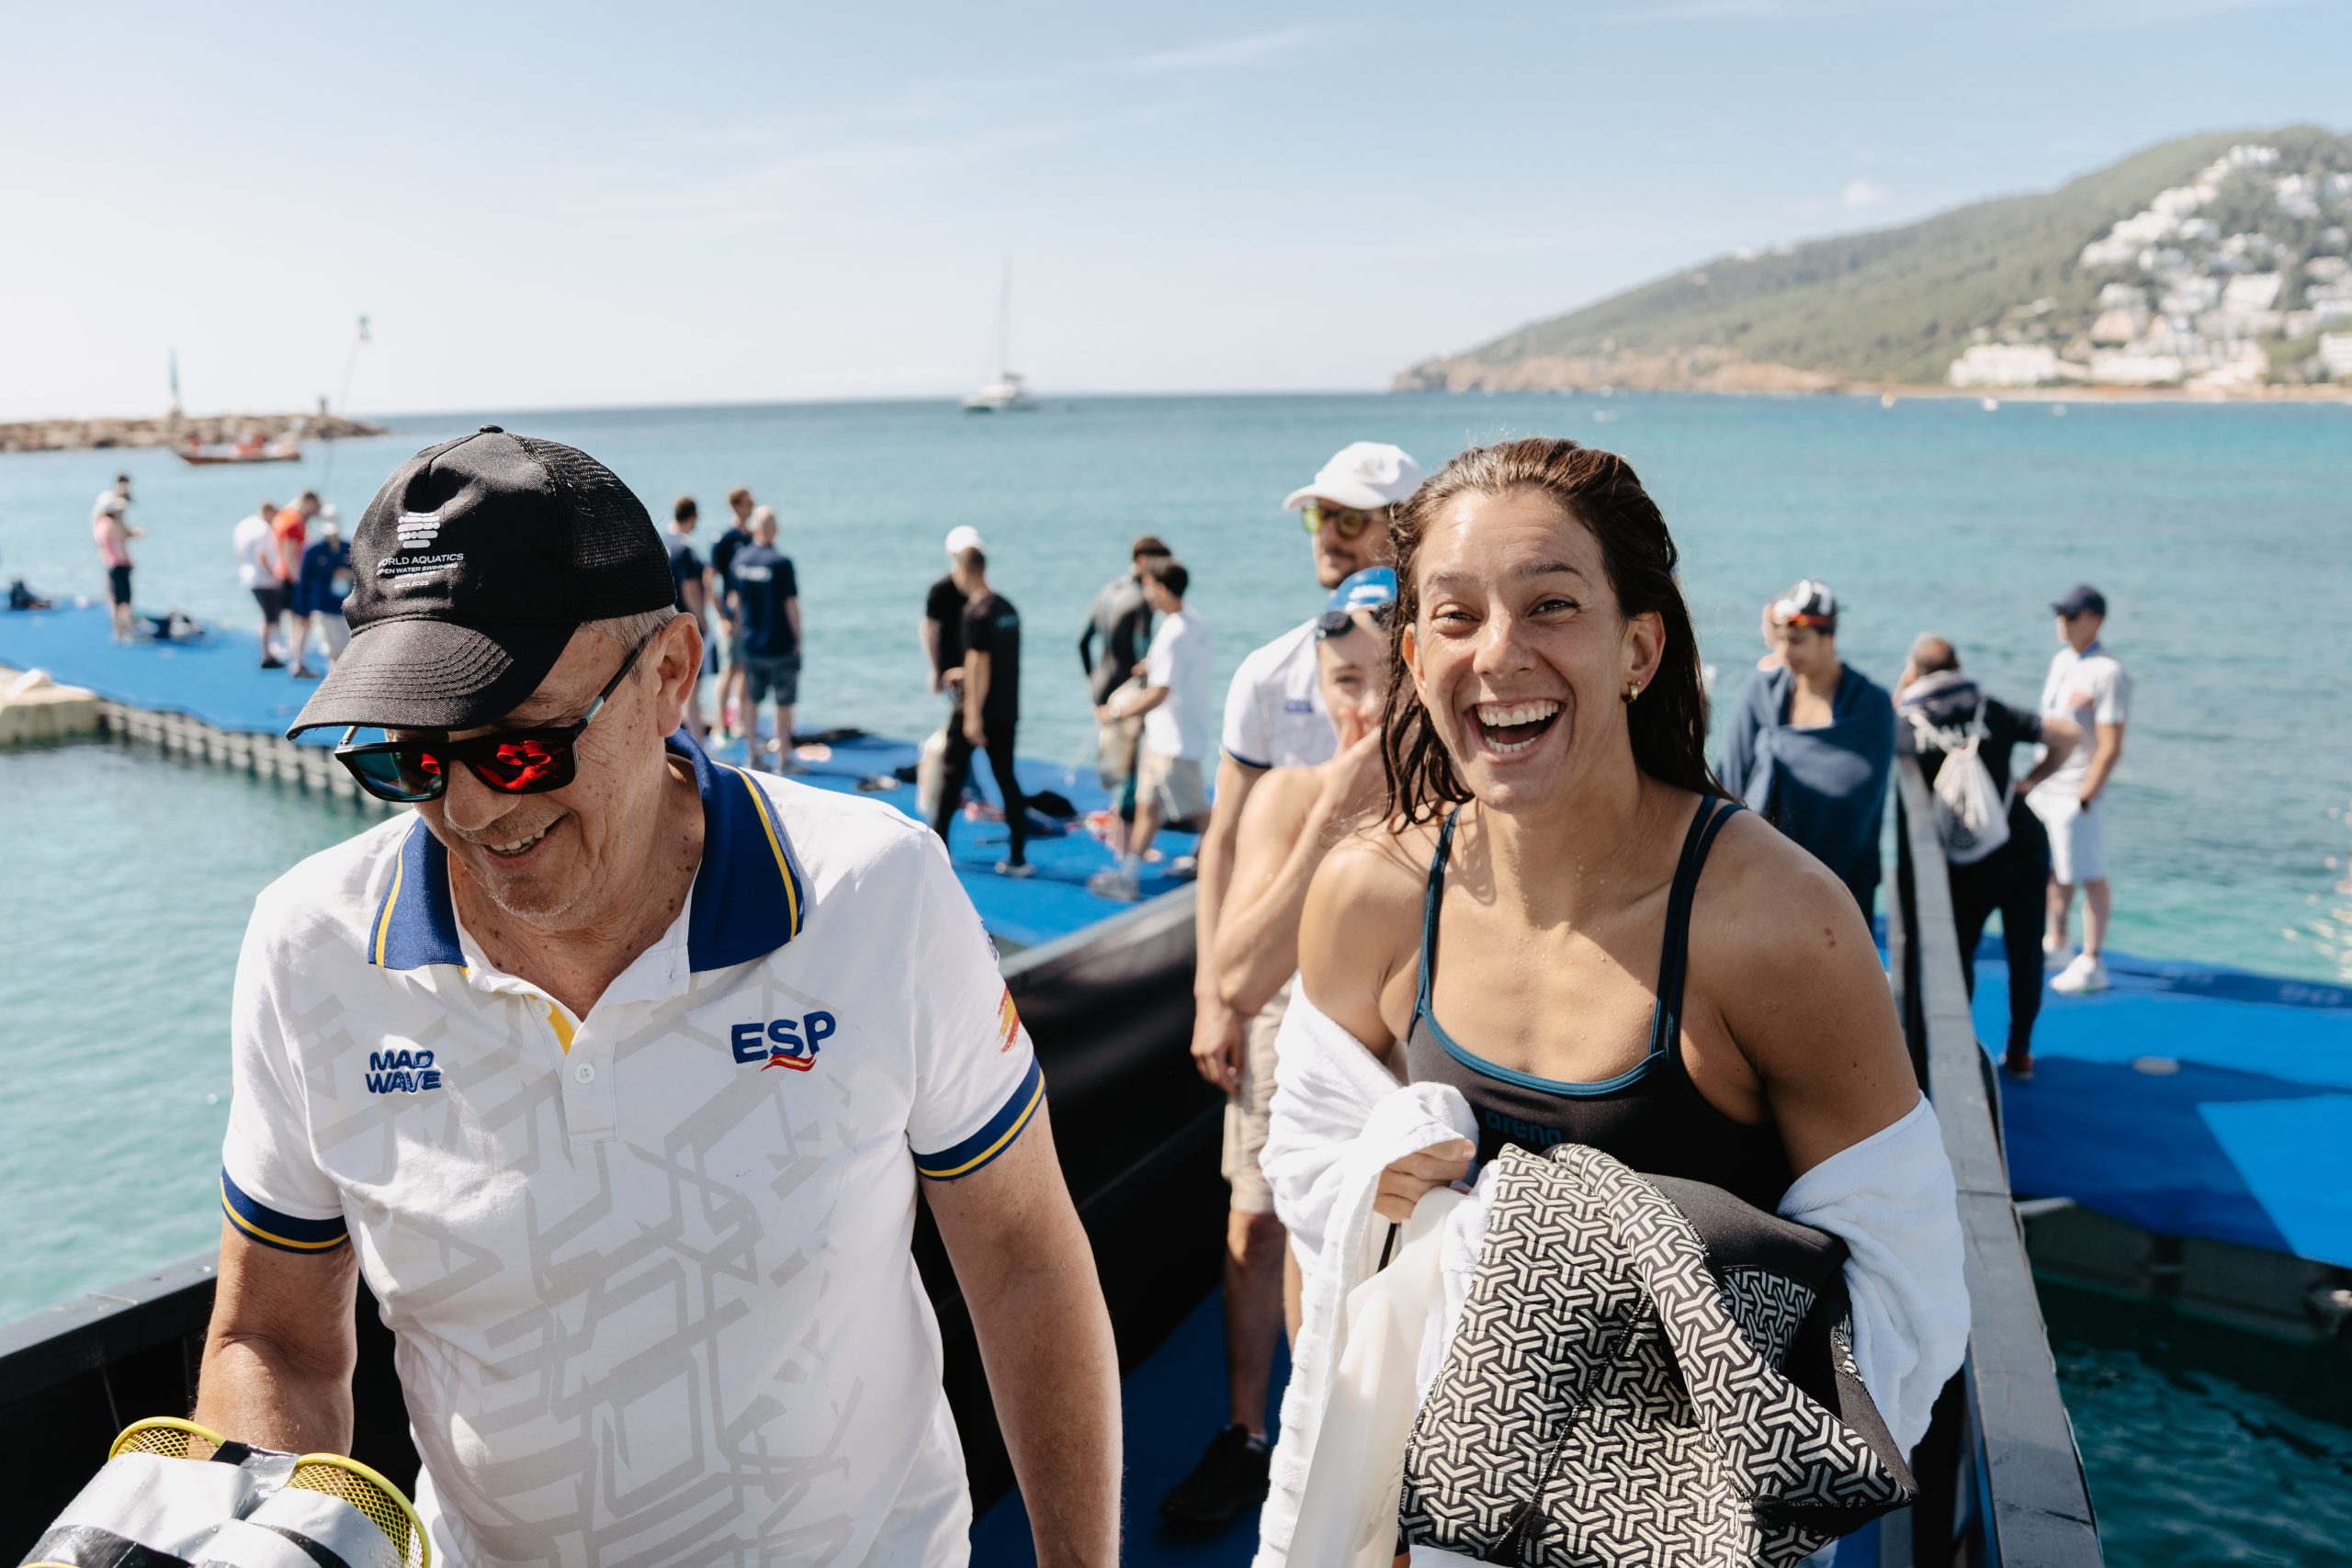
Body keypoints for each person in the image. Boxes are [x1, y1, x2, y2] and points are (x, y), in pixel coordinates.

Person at [198, 426, 1117, 1565]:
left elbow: (1021, 1254)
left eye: (522, 746)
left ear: (673, 675)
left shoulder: (875, 893)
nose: (469, 810)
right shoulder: (311, 948)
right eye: (412, 758)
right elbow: (274, 1339)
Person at [1261, 437, 1962, 1561]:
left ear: (1638, 647)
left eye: (1551, 605)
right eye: (1455, 617)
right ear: (1413, 654)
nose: (1499, 654)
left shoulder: (1777, 928)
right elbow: (1316, 1204)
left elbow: (1909, 1296)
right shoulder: (1370, 896)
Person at [1166, 440, 1420, 1529]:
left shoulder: (1450, 665)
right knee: (1259, 1216)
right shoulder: (1275, 672)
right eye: (1320, 515)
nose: (1329, 534)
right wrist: (1212, 998)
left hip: (1404, 985)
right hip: (1287, 985)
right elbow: (1228, 839)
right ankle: (1250, 1433)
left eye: (1352, 517)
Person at [1896, 635, 2080, 1078]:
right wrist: (2028, 782)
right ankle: (2019, 1052)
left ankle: (1958, 1047)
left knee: (1960, 955)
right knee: (2025, 954)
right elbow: (2067, 735)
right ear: (1958, 665)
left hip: (1967, 863)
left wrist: (1905, 684)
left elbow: (1887, 715)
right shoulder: (1989, 708)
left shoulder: (1908, 724)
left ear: (1914, 671)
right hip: (2024, 847)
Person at [1718, 579, 1895, 917]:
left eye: (1798, 640)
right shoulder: (1762, 691)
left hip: (1842, 878)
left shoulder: (1870, 704)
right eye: (1781, 639)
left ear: (1829, 637)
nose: (1786, 652)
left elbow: (1859, 794)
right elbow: (1730, 778)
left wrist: (1781, 749)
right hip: (1761, 873)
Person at [1088, 560, 1211, 901]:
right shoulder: (1193, 623)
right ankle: (1128, 877)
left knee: (1202, 816)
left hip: (1173, 742)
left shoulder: (1173, 632)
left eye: (1148, 586)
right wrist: (1152, 667)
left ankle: (1230, 869)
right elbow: (1180, 670)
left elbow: (1160, 693)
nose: (1145, 593)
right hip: (1170, 737)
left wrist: (1116, 713)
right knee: (1148, 810)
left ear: (1161, 588)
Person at [2034, 584, 2132, 995]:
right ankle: (2057, 941)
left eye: (2071, 615)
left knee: (2089, 873)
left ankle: (2092, 958)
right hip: (2049, 785)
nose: (2063, 622)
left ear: (2095, 620)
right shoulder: (2062, 661)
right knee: (2054, 870)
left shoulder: (2108, 672)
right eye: (2060, 614)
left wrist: (2086, 796)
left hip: (2077, 789)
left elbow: (2110, 744)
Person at [931, 547, 1032, 877]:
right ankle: (1019, 856)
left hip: (977, 710)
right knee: (1007, 780)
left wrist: (973, 714)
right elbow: (998, 659)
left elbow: (980, 662)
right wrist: (963, 672)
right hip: (1007, 708)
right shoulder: (1007, 609)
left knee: (951, 779)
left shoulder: (975, 611)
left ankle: (937, 850)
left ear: (963, 571)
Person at [1080, 535, 1173, 853]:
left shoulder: (1109, 591)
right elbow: (1142, 653)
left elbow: (1083, 641)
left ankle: (1118, 838)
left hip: (1102, 690)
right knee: (1131, 773)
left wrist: (1094, 689)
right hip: (1127, 695)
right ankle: (1126, 846)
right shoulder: (1142, 600)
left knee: (1117, 765)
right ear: (1144, 562)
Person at [726, 505, 802, 771]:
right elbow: (791, 606)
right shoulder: (780, 563)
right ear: (775, 529)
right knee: (784, 703)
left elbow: (734, 601)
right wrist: (798, 639)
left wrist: (741, 627)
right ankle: (784, 758)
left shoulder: (740, 560)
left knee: (752, 700)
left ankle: (753, 755)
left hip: (752, 643)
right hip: (780, 644)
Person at [707, 486, 757, 739]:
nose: (752, 506)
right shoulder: (725, 539)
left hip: (750, 616)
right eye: (748, 502)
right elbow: (710, 578)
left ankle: (741, 722)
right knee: (729, 669)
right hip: (731, 615)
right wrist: (722, 616)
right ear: (737, 505)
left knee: (746, 670)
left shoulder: (754, 537)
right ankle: (720, 723)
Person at [663, 495, 709, 740]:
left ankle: (673, 737)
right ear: (693, 517)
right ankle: (697, 742)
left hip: (665, 621)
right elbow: (691, 589)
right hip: (685, 623)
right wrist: (702, 621)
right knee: (691, 688)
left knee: (668, 685)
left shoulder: (662, 541)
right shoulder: (686, 548)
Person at [294, 507, 355, 671]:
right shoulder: (313, 551)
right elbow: (304, 582)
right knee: (333, 650)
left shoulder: (349, 548)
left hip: (345, 608)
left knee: (349, 649)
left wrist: (348, 575)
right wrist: (302, 611)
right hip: (323, 607)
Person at [272, 493, 323, 677]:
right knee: (302, 621)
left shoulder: (284, 516)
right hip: (293, 578)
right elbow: (290, 554)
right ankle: (298, 662)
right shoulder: (293, 522)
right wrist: (300, 581)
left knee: (296, 620)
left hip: (285, 576)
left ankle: (296, 656)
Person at [232, 498, 287, 668]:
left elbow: (237, 552)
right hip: (264, 579)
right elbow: (262, 556)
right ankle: (267, 654)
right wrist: (275, 575)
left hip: (249, 576)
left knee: (267, 616)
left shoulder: (243, 525)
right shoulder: (263, 529)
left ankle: (269, 650)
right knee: (269, 618)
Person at [92, 475, 141, 642]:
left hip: (109, 562)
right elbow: (123, 538)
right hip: (119, 563)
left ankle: (118, 630)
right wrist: (134, 533)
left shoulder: (99, 524)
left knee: (114, 598)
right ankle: (125, 629)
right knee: (124, 600)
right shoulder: (111, 525)